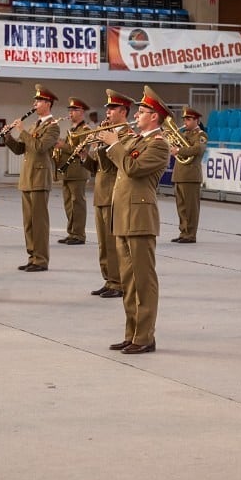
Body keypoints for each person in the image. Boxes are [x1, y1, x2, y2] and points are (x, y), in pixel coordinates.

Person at [97, 86, 172, 355]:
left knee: (143, 280)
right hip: (124, 217)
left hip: (140, 217)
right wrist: (104, 143)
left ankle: (145, 336)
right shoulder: (137, 140)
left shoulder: (159, 145)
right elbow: (112, 166)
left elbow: (133, 168)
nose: (136, 116)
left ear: (155, 117)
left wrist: (115, 143)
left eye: (141, 112)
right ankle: (132, 333)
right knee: (128, 281)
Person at [82, 89, 135, 299]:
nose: (108, 112)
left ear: (123, 111)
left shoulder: (126, 135)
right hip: (101, 192)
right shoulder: (108, 133)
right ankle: (108, 278)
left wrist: (102, 143)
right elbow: (96, 167)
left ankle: (118, 281)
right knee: (103, 243)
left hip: (114, 192)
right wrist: (86, 153)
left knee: (114, 243)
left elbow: (114, 164)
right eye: (108, 108)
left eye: (113, 108)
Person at [2, 85, 60, 272]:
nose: (34, 104)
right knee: (28, 222)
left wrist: (22, 131)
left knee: (39, 222)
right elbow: (21, 149)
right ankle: (32, 256)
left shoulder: (53, 127)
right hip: (27, 179)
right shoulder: (36, 125)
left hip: (39, 179)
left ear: (47, 103)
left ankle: (41, 259)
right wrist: (8, 136)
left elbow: (40, 147)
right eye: (35, 101)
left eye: (38, 101)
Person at [55, 97, 91, 245]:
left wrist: (61, 145)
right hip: (68, 172)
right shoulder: (72, 130)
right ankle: (72, 232)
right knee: (69, 204)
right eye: (69, 110)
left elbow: (79, 150)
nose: (70, 113)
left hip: (78, 172)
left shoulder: (85, 130)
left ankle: (79, 234)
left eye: (74, 110)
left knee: (78, 204)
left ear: (82, 112)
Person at [170, 106, 208, 243]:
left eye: (188, 119)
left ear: (196, 120)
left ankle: (191, 234)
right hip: (180, 174)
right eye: (185, 119)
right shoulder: (184, 134)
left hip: (191, 175)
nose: (185, 122)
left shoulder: (201, 135)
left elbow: (197, 149)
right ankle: (183, 232)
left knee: (191, 207)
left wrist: (178, 150)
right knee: (181, 206)